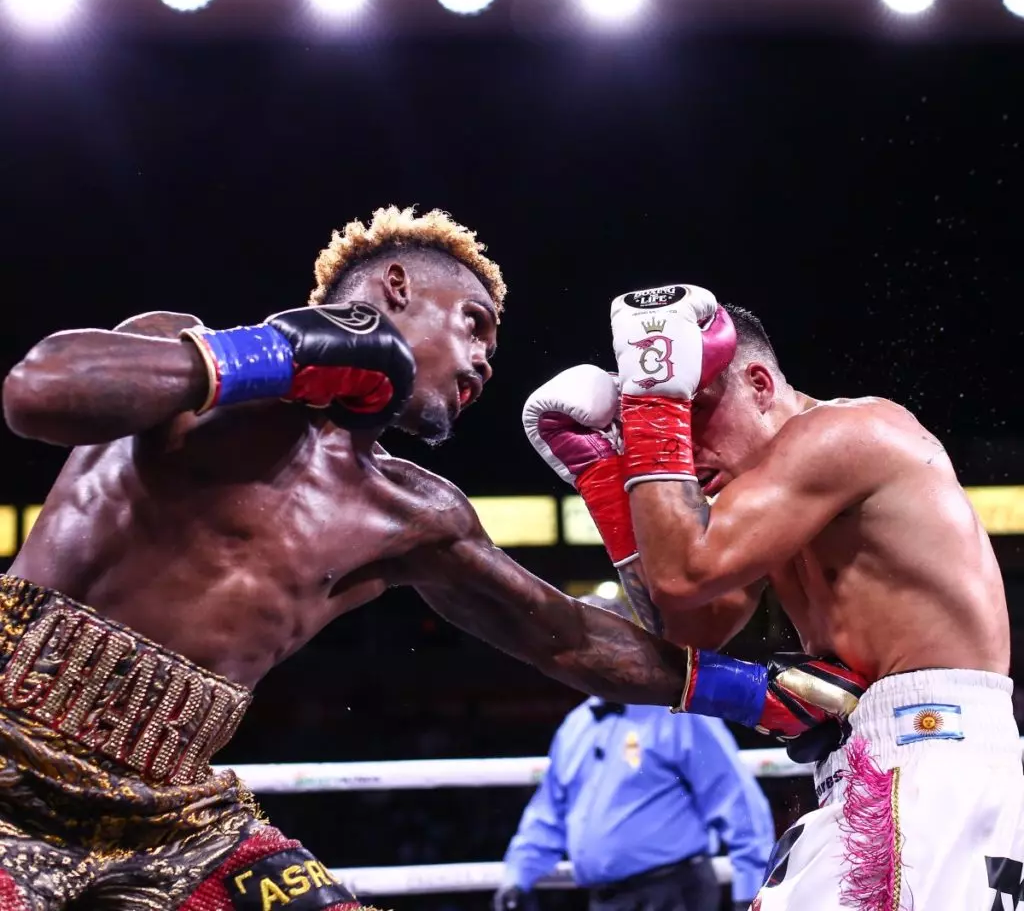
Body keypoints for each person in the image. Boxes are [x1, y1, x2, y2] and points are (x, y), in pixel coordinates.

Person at [0, 210, 858, 910]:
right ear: (397, 290)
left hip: (168, 810)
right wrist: (278, 355)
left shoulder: (412, 513)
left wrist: (757, 695)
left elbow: (564, 637)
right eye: (475, 325)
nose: (486, 360)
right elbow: (38, 391)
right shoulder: (184, 365)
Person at [525, 280, 1020, 911]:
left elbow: (681, 576)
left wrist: (651, 410)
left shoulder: (842, 434)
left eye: (692, 409)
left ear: (760, 386)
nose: (685, 448)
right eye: (672, 417)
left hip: (928, 763)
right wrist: (602, 475)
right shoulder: (765, 498)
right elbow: (690, 629)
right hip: (876, 769)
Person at [494, 592, 775, 911]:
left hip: (673, 893)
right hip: (605, 899)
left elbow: (737, 801)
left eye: (593, 643)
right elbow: (548, 815)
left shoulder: (675, 713)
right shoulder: (575, 727)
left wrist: (749, 892)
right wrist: (516, 877)